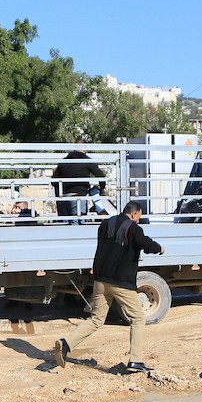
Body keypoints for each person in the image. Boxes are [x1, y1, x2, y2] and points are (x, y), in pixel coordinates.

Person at [53, 200, 163, 373]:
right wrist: (159, 248)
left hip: (101, 280)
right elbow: (145, 243)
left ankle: (66, 344)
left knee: (96, 319)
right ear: (134, 214)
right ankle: (135, 361)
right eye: (139, 217)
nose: (138, 221)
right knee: (138, 318)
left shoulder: (105, 224)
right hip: (121, 283)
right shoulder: (134, 228)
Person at [51, 149, 104, 220]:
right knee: (78, 224)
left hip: (64, 197)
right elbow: (100, 176)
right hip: (79, 196)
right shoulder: (86, 160)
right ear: (84, 149)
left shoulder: (64, 161)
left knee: (64, 225)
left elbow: (54, 181)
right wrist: (102, 188)